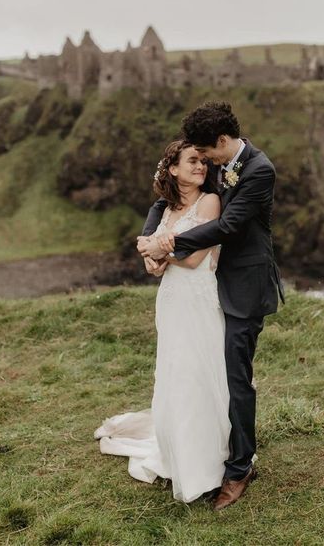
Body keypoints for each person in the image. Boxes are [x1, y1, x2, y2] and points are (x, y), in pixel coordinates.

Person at [138, 101, 285, 511]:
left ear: (222, 142)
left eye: (206, 154)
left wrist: (164, 245)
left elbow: (227, 225)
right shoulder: (218, 162)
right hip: (204, 288)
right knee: (202, 373)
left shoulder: (258, 170)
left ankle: (239, 469)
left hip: (242, 284)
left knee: (236, 378)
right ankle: (210, 448)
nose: (202, 163)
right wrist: (150, 234)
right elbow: (168, 200)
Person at [95, 140, 232, 503]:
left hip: (199, 301)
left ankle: (203, 464)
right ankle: (176, 452)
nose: (201, 166)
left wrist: (160, 253)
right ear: (173, 169)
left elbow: (193, 258)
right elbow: (156, 257)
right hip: (171, 301)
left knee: (197, 374)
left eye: (204, 161)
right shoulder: (167, 209)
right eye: (192, 161)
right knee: (173, 373)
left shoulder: (210, 202)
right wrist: (153, 260)